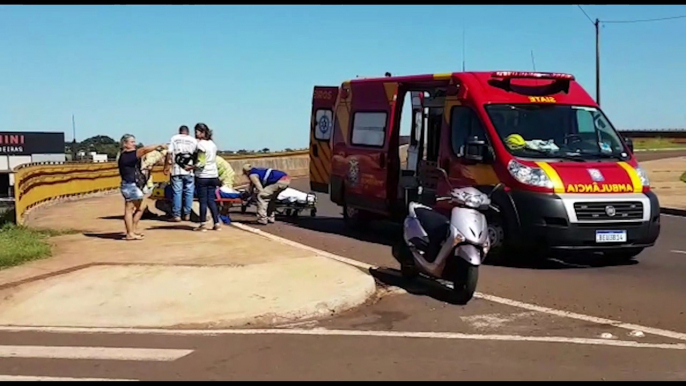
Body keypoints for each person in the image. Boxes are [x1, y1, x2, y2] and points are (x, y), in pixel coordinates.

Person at [117, 134, 166, 240]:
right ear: (125, 144)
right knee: (130, 209)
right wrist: (159, 146)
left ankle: (132, 230)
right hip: (130, 185)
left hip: (130, 185)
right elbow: (144, 150)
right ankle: (130, 233)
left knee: (140, 207)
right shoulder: (127, 155)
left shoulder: (125, 155)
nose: (134, 144)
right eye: (132, 142)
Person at [185, 123, 221, 232]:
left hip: (203, 176)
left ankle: (203, 224)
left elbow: (201, 162)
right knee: (211, 200)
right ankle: (216, 223)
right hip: (213, 175)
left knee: (203, 201)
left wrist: (191, 167)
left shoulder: (200, 145)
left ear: (202, 132)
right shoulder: (213, 145)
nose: (195, 134)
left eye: (197, 131)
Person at [165, 125, 198, 222]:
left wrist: (166, 166)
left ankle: (177, 215)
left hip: (177, 170)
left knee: (177, 192)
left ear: (179, 131)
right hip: (189, 170)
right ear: (188, 132)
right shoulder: (193, 140)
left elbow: (169, 153)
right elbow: (197, 155)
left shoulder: (174, 138)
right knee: (189, 192)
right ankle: (187, 214)